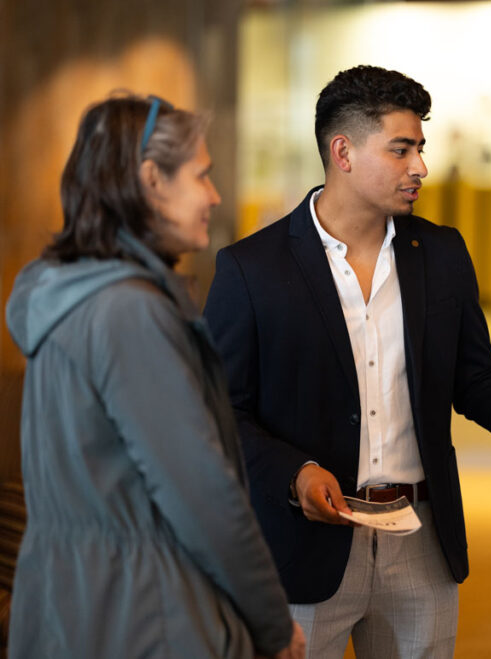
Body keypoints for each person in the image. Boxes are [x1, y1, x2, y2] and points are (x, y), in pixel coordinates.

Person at [203, 65, 491, 657]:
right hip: (304, 542)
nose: (421, 168)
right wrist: (295, 474)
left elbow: (474, 376)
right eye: (401, 149)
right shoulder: (251, 270)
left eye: (421, 148)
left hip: (420, 539)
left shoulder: (441, 252)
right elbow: (224, 411)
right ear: (344, 152)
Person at [4, 95, 305, 658]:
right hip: (146, 615)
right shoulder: (129, 313)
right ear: (152, 180)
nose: (215, 195)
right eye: (202, 175)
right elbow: (203, 494)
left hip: (69, 607)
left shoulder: (67, 296)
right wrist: (271, 621)